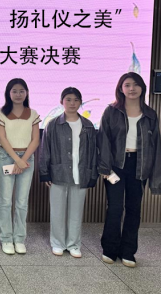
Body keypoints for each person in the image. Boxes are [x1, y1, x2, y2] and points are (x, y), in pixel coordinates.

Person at [98, 72, 161, 267]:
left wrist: (157, 179)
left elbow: (156, 147)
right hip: (116, 165)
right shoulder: (111, 111)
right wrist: (105, 167)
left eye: (136, 84)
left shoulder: (150, 114)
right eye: (127, 85)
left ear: (142, 87)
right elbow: (103, 140)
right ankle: (110, 249)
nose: (132, 88)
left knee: (134, 209)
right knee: (115, 208)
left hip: (140, 165)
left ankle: (128, 251)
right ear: (121, 88)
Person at [39, 87, 98, 258]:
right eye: (68, 100)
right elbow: (45, 149)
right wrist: (45, 173)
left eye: (76, 100)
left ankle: (74, 244)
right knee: (57, 211)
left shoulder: (88, 125)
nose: (72, 103)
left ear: (80, 102)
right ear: (61, 102)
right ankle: (57, 243)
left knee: (76, 212)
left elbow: (94, 152)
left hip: (81, 174)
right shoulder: (53, 124)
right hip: (58, 173)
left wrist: (93, 174)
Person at [0, 78, 40, 255]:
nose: (18, 94)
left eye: (22, 91)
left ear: (27, 93)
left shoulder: (33, 114)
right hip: (6, 157)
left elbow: (35, 140)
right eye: (14, 91)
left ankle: (19, 238)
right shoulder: (1, 113)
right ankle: (6, 238)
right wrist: (16, 159)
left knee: (21, 201)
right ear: (8, 93)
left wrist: (23, 160)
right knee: (5, 201)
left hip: (27, 159)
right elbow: (2, 138)